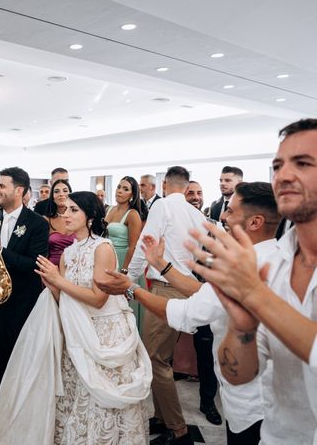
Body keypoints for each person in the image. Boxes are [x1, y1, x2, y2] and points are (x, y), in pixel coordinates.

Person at [99, 181, 280, 444]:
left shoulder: (244, 269)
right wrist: (162, 265)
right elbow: (205, 291)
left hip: (253, 401)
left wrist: (131, 289)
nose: (223, 217)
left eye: (231, 211)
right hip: (259, 392)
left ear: (255, 222)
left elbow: (185, 312)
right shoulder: (270, 256)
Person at [0, 191, 151, 444]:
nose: (65, 215)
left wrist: (59, 281)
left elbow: (98, 298)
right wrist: (52, 286)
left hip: (104, 332)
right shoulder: (69, 252)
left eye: (73, 210)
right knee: (77, 395)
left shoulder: (102, 248)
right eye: (64, 210)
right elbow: (64, 301)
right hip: (76, 331)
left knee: (102, 399)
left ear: (90, 217)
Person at [189, 119, 317, 444]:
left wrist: (254, 295)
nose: (283, 176)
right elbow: (241, 374)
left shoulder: (259, 278)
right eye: (277, 166)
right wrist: (241, 327)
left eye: (302, 163)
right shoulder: (277, 260)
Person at [127, 166, 206, 445]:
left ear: (163, 185)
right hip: (183, 288)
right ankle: (161, 417)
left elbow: (143, 246)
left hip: (165, 288)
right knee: (159, 356)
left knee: (155, 359)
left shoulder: (162, 207)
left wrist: (127, 279)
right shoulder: (196, 214)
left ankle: (177, 426)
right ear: (186, 188)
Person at [0, 166, 49, 444]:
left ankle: (19, 421)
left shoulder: (37, 223)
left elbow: (34, 265)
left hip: (21, 309)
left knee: (20, 368)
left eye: (1, 185)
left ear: (20, 191)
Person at [183, 179, 220, 425]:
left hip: (205, 293)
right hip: (175, 290)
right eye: (190, 193)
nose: (196, 197)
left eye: (199, 193)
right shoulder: (175, 228)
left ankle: (208, 401)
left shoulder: (215, 227)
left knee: (206, 350)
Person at [105, 176, 144, 332]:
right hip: (108, 259)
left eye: (125, 189)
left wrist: (125, 271)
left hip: (123, 260)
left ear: (132, 195)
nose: (120, 191)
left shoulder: (132, 214)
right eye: (119, 187)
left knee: (122, 305)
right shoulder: (109, 209)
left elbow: (133, 246)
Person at [43, 179, 76, 266]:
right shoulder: (46, 220)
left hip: (76, 267)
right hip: (52, 267)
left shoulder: (79, 218)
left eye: (65, 191)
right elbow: (42, 250)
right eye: (57, 191)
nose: (61, 194)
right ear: (52, 197)